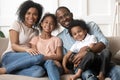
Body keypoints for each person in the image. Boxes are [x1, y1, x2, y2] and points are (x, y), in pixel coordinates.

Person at [55, 6, 120, 80]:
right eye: (60, 18)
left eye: (66, 15)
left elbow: (104, 43)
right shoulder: (60, 38)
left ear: (71, 14)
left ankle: (102, 73)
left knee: (118, 71)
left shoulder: (91, 26)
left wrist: (86, 52)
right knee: (89, 76)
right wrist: (74, 59)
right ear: (58, 21)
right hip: (84, 67)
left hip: (102, 63)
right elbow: (65, 57)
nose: (64, 19)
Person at [0, 0, 45, 77]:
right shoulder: (17, 24)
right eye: (28, 13)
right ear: (23, 13)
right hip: (10, 56)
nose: (31, 17)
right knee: (39, 57)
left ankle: (11, 70)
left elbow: (34, 48)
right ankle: (5, 69)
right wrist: (27, 50)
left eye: (35, 14)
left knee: (39, 71)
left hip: (25, 59)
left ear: (38, 17)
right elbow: (14, 45)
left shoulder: (36, 32)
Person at [29, 13, 63, 80]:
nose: (48, 25)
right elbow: (35, 56)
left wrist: (48, 59)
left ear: (54, 26)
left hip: (54, 66)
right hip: (40, 66)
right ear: (41, 24)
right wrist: (52, 58)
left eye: (51, 23)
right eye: (46, 22)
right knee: (39, 70)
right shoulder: (35, 39)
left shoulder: (57, 39)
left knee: (50, 63)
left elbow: (59, 56)